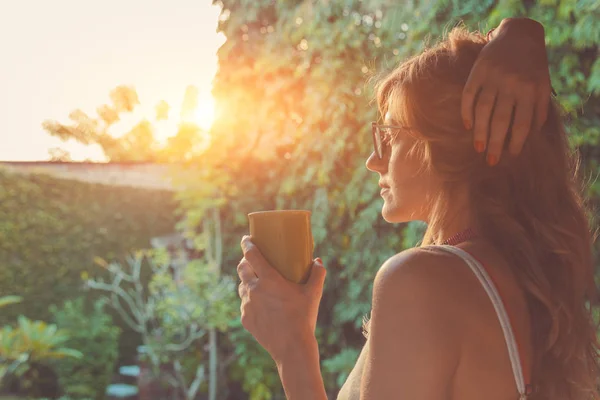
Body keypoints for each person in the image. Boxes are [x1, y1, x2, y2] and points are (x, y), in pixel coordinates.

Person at [236, 17, 600, 400]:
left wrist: (293, 349)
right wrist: (521, 30)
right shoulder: (526, 282)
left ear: (454, 142)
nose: (373, 162)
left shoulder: (420, 281)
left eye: (389, 135)